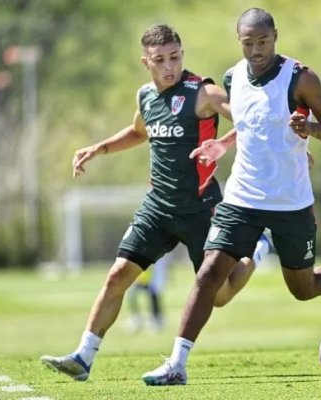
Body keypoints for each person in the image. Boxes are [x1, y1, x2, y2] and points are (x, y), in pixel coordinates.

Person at [141, 8, 321, 386]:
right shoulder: (233, 77)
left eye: (262, 41)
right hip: (241, 198)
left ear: (275, 37)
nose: (256, 50)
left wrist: (310, 128)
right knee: (209, 274)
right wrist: (223, 145)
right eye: (248, 43)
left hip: (290, 201)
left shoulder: (301, 78)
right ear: (240, 43)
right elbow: (251, 124)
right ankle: (176, 364)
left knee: (302, 289)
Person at [40, 23, 273, 382]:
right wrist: (98, 148)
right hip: (158, 208)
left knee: (220, 295)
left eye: (175, 57)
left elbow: (249, 118)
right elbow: (138, 131)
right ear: (145, 62)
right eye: (160, 60)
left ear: (183, 54)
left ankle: (256, 250)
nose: (170, 66)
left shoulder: (204, 93)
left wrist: (266, 144)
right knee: (118, 275)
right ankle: (83, 357)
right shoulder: (145, 96)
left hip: (200, 208)